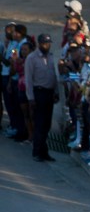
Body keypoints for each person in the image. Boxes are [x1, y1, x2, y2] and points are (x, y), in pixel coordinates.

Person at [25, 33, 59, 162]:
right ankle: (37, 151)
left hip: (49, 93)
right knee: (39, 123)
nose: (47, 46)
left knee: (46, 124)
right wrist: (31, 98)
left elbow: (54, 75)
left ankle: (44, 151)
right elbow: (28, 79)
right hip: (39, 93)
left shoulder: (51, 56)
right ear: (39, 44)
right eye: (45, 43)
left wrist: (56, 92)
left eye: (48, 43)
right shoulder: (32, 58)